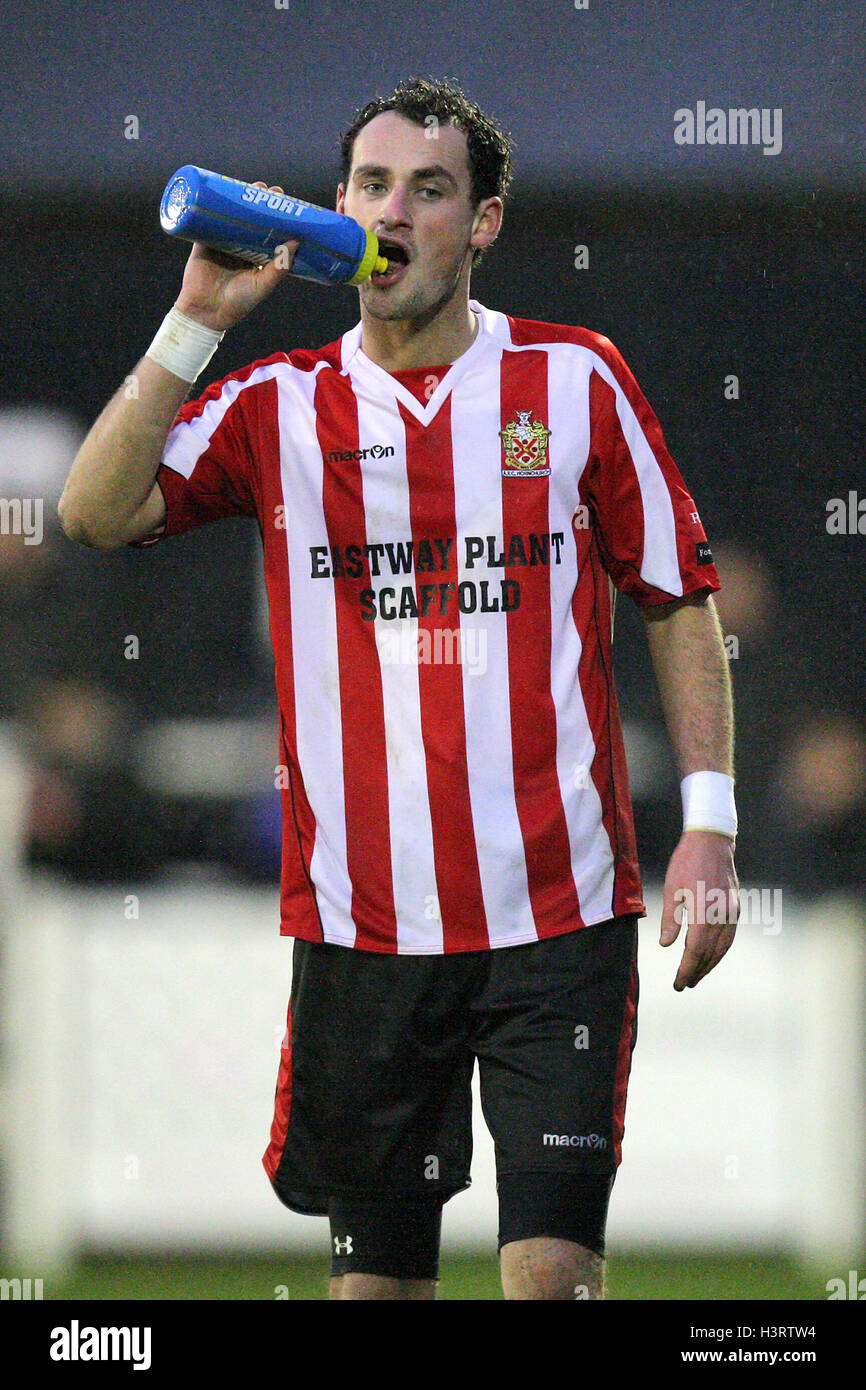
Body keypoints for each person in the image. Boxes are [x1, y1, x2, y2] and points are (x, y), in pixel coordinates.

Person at [58, 77, 739, 1301]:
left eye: (430, 191)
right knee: (377, 1292)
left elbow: (676, 598)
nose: (395, 211)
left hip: (558, 918)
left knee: (550, 1280)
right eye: (372, 186)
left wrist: (709, 826)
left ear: (480, 225)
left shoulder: (572, 383)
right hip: (365, 930)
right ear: (333, 210)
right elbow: (92, 510)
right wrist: (194, 320)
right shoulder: (278, 407)